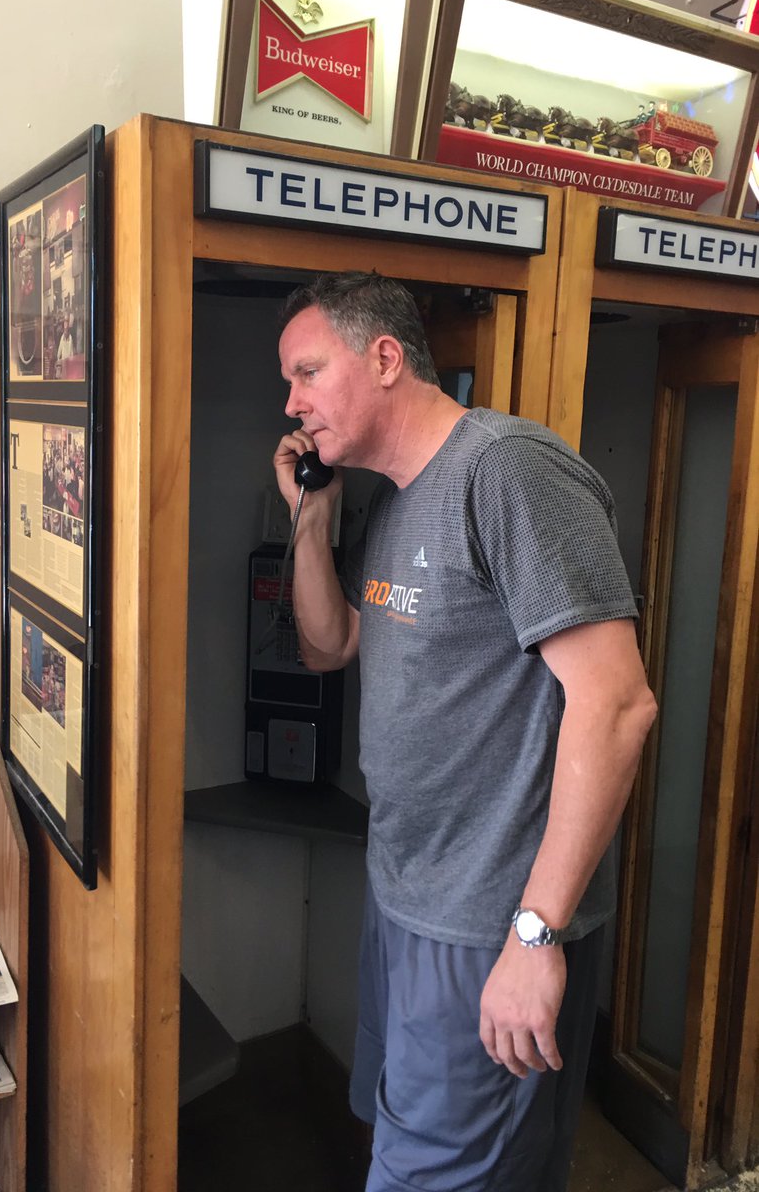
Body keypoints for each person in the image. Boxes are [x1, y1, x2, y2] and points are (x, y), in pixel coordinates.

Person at [272, 272, 657, 1192]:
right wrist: (311, 517)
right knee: (418, 1142)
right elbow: (329, 647)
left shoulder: (509, 471)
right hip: (406, 895)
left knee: (439, 1173)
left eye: (307, 373)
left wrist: (535, 936)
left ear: (385, 357)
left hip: (490, 919)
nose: (291, 404)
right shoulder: (396, 494)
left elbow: (618, 703)